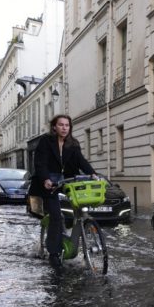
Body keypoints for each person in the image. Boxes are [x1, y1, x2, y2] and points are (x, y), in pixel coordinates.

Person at [30, 114, 97, 271]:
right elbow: (40, 163)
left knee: (81, 207)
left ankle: (78, 231)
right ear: (54, 127)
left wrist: (93, 174)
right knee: (56, 216)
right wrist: (45, 178)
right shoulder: (46, 141)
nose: (64, 128)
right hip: (49, 183)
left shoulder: (73, 144)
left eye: (67, 125)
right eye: (61, 125)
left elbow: (81, 161)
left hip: (67, 181)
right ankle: (54, 253)